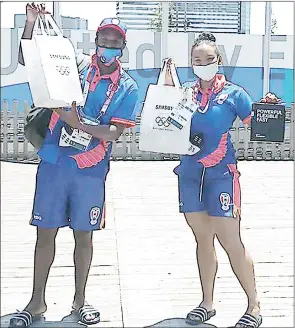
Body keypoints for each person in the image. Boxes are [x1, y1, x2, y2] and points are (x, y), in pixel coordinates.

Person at [10, 3, 139, 327]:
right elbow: (28, 60)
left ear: (122, 47)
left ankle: (80, 300)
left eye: (114, 42)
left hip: (91, 170)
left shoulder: (128, 86)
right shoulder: (75, 65)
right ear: (95, 40)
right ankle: (36, 302)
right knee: (45, 234)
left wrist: (77, 124)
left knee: (84, 237)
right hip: (54, 162)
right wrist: (30, 23)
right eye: (104, 40)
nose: (107, 46)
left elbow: (113, 132)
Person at [164, 32, 279, 328]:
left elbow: (255, 122)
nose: (202, 65)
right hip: (190, 174)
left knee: (231, 241)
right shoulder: (185, 92)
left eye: (208, 60)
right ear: (191, 64)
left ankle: (254, 306)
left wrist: (268, 108)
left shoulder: (234, 94)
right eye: (197, 60)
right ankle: (207, 302)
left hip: (222, 176)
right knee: (202, 239)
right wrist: (166, 90)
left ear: (219, 61)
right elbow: (163, 122)